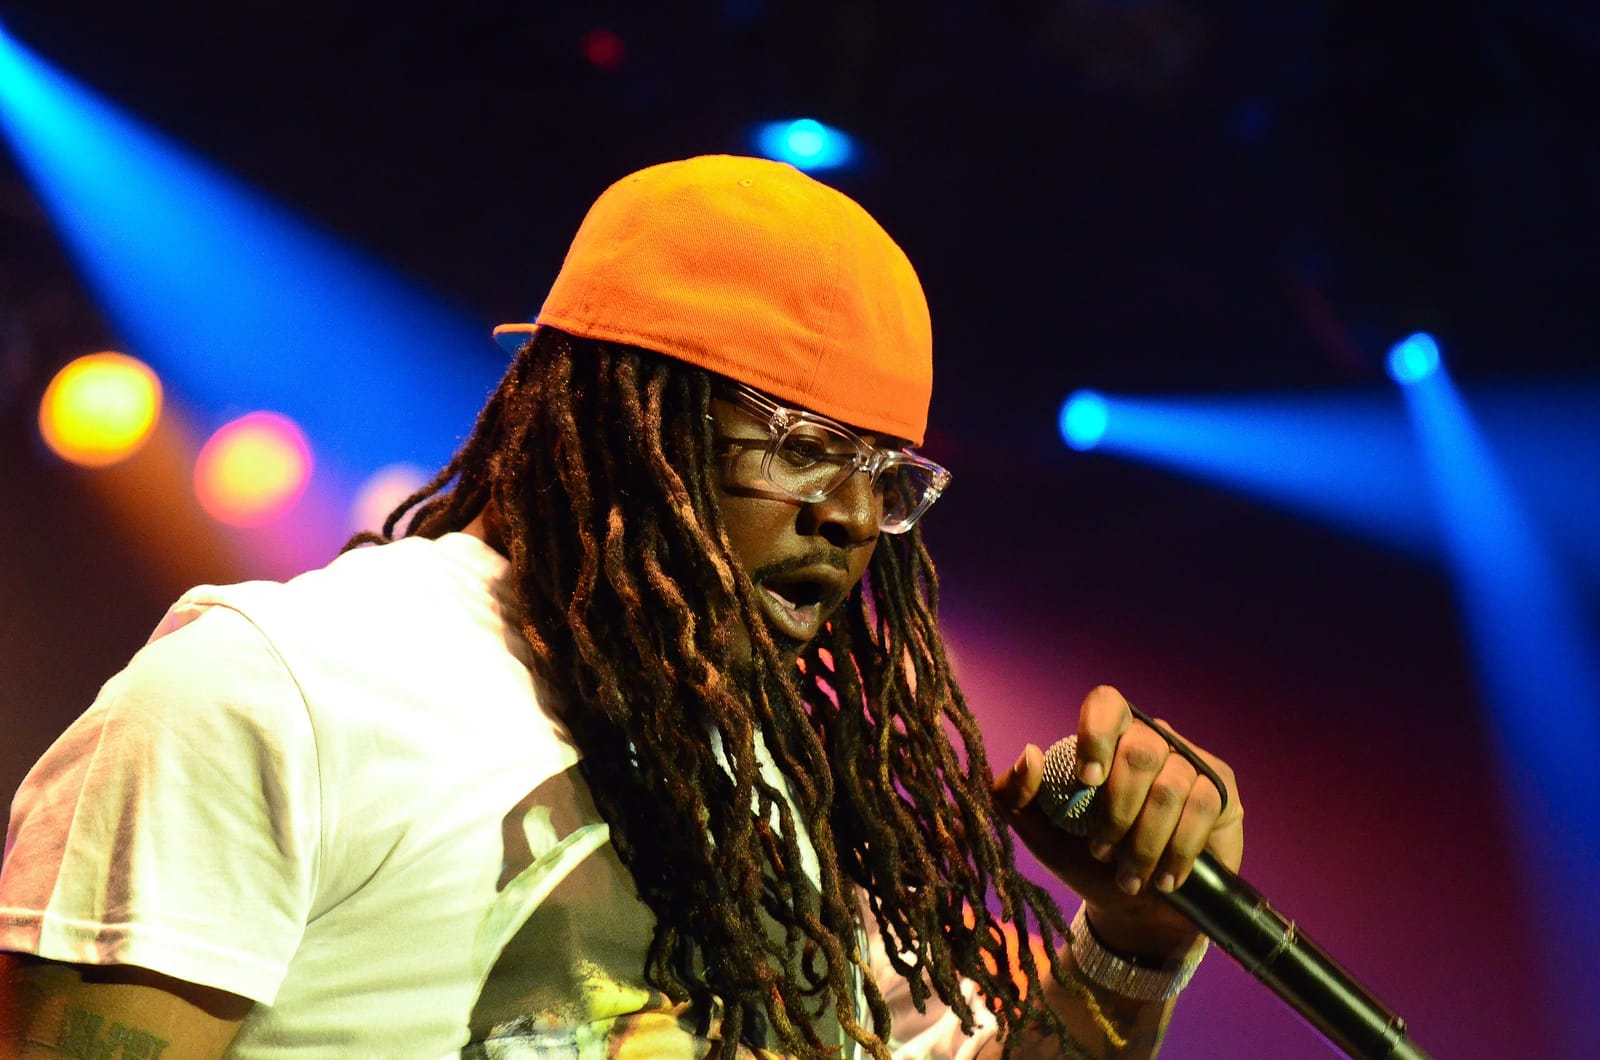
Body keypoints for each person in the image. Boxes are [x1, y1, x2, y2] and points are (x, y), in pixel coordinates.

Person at [0, 155, 1242, 1059]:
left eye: (889, 478)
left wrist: (1132, 942)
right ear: (615, 416)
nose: (853, 518)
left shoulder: (759, 784)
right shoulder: (280, 691)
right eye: (803, 445)